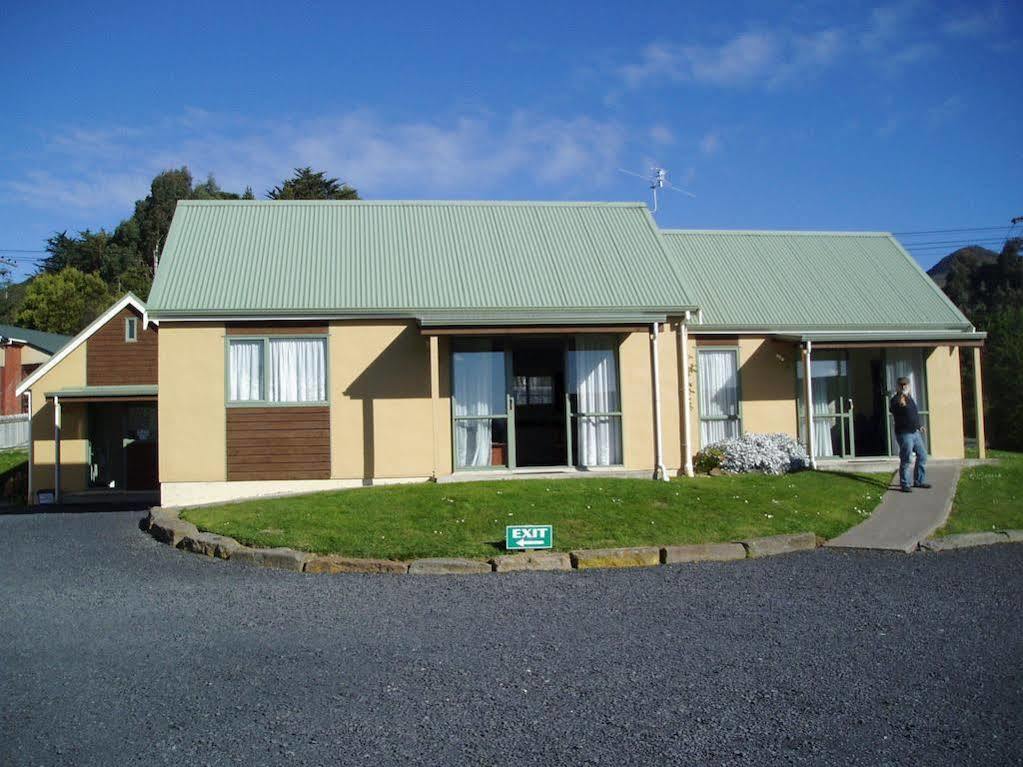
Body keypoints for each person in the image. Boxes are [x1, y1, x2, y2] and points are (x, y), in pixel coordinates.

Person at [889, 376, 930, 493]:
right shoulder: (896, 399)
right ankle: (905, 484)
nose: (903, 387)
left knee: (922, 455)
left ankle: (919, 481)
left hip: (915, 432)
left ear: (909, 386)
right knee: (906, 458)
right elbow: (894, 408)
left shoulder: (910, 398)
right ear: (897, 386)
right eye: (901, 385)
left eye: (905, 384)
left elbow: (913, 415)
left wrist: (919, 426)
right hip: (904, 434)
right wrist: (900, 402)